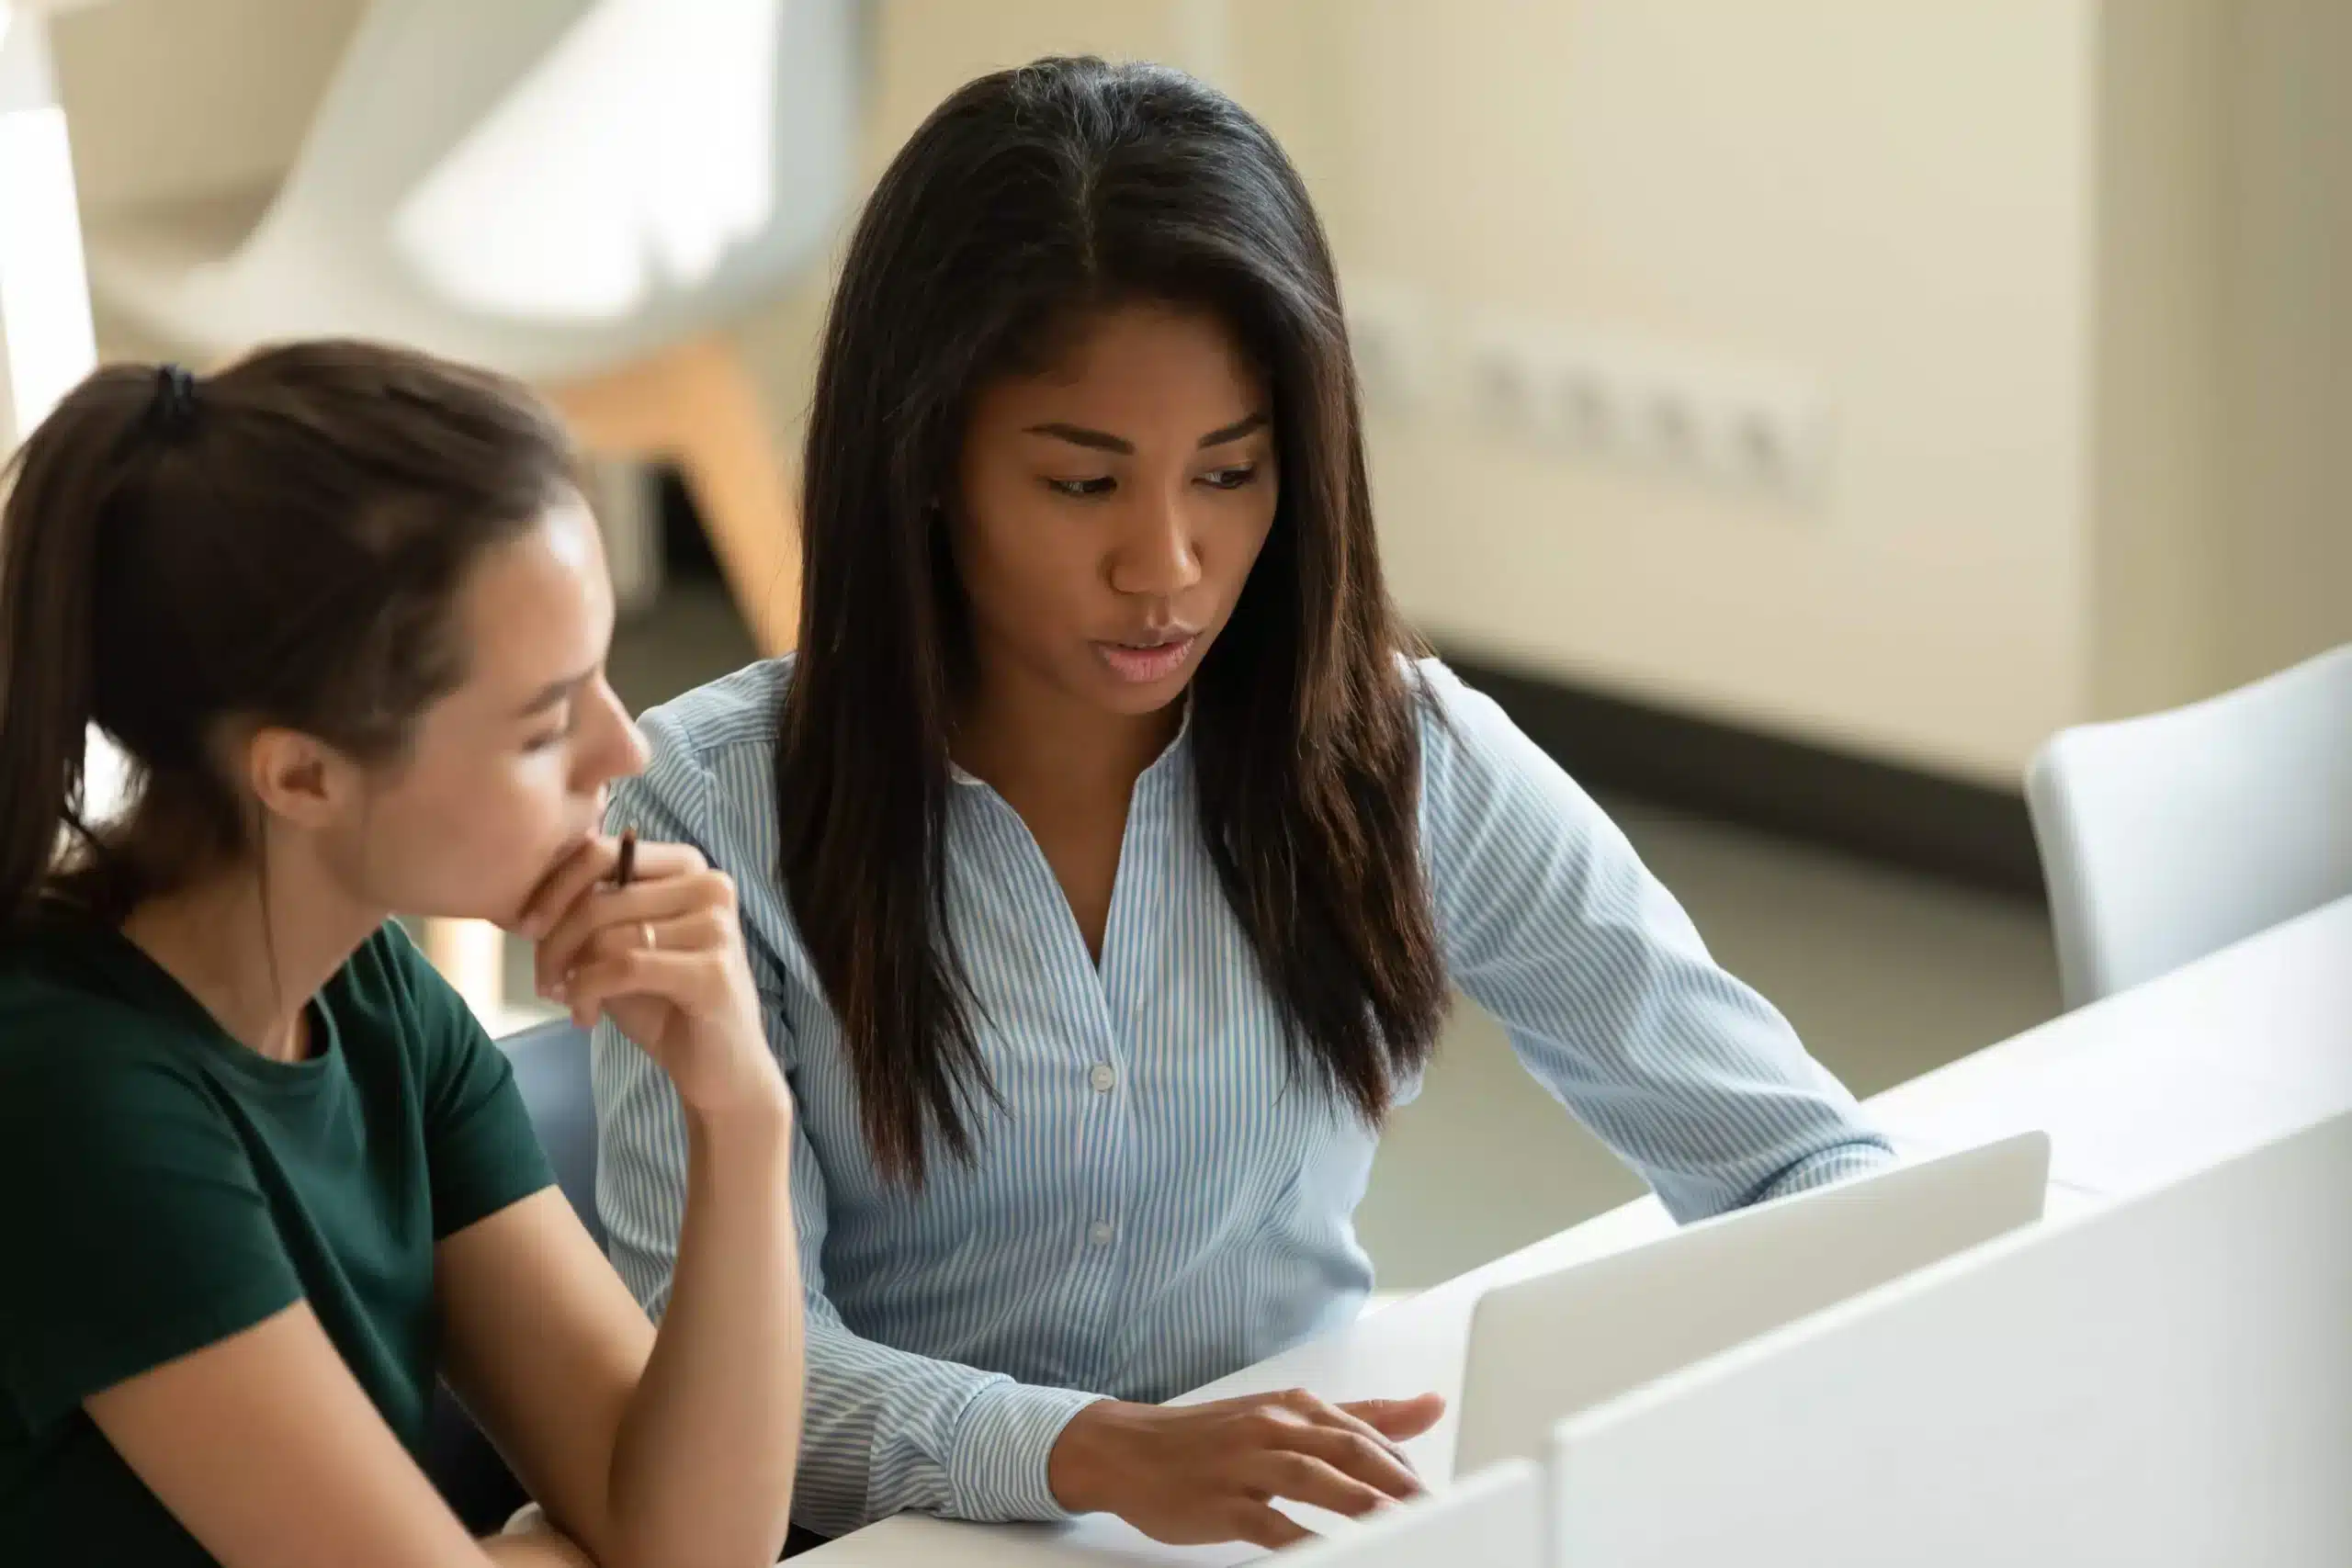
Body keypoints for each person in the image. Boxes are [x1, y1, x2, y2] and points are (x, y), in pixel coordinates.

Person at [593, 56, 1895, 1553]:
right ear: (928, 462)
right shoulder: (708, 803)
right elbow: (713, 1394)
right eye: (1084, 486)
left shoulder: (1395, 756)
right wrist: (1082, 1451)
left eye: (1230, 473)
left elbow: (1805, 1163)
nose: (1169, 564)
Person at [0, 344, 803, 1568]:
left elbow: (694, 1546)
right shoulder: (79, 1097)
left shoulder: (369, 993)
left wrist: (741, 1110)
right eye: (545, 722)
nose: (621, 748)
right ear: (303, 774)